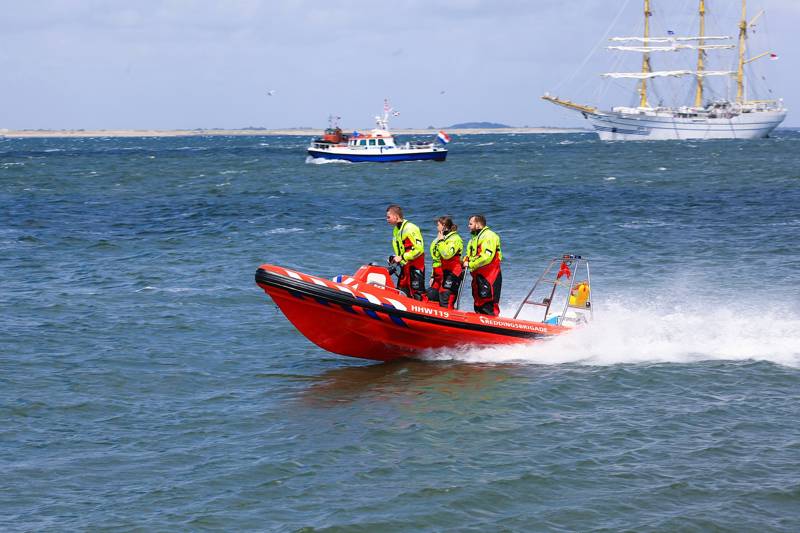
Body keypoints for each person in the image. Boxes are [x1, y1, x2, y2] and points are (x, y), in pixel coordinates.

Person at [463, 214, 503, 316]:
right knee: (478, 302)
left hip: (489, 276)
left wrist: (470, 264)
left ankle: (493, 325)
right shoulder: (473, 239)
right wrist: (464, 261)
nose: (468, 226)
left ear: (478, 224)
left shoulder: (489, 236)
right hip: (478, 277)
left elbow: (486, 256)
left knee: (488, 302)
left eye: (470, 224)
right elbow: (469, 255)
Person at [386, 204, 425, 299]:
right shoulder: (396, 230)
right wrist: (395, 258)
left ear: (396, 216)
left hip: (415, 266)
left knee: (417, 294)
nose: (387, 219)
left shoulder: (410, 228)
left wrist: (402, 257)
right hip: (405, 266)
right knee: (401, 291)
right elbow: (403, 248)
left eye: (388, 217)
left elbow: (419, 249)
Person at [427, 216, 463, 308]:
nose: (436, 227)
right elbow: (436, 258)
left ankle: (450, 316)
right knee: (432, 294)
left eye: (438, 225)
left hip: (453, 271)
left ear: (444, 226)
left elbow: (447, 254)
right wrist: (432, 275)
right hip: (440, 271)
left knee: (445, 297)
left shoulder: (454, 238)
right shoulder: (440, 238)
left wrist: (441, 241)